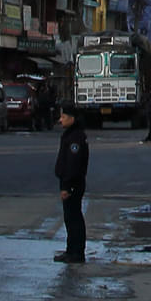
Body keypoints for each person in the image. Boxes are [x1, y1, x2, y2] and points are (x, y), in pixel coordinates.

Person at [53, 105, 89, 263]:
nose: (60, 120)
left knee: (74, 218)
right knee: (70, 217)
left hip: (73, 183)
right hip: (69, 182)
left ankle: (77, 252)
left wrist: (67, 186)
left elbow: (73, 164)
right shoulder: (70, 134)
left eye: (63, 117)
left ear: (72, 118)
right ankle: (71, 250)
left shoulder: (76, 137)